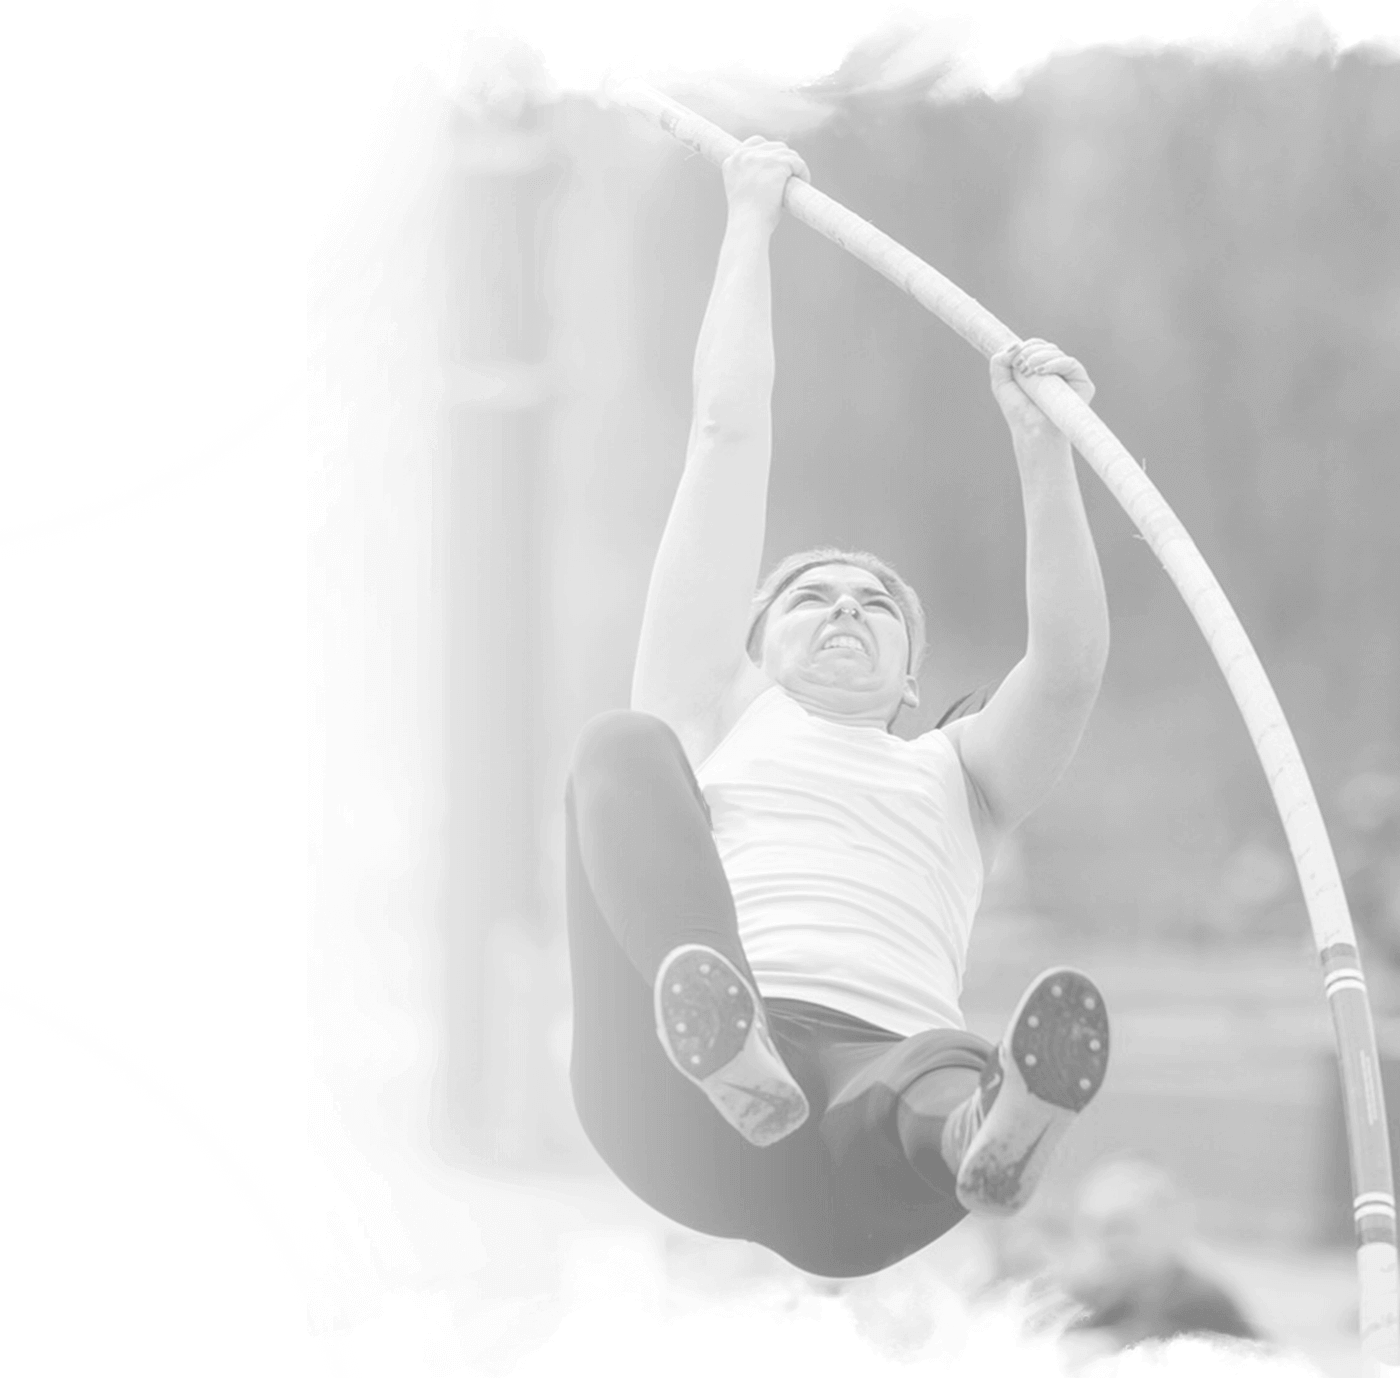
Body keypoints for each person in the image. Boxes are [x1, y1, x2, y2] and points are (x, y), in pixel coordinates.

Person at [563, 135, 1111, 1278]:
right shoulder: (715, 711)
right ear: (753, 645)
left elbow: (1061, 668)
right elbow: (725, 433)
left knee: (932, 1072)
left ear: (914, 673)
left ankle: (988, 1135)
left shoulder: (963, 776)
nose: (847, 607)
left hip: (873, 1145)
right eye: (811, 595)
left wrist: (1040, 447)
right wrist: (748, 224)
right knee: (620, 748)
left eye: (876, 602)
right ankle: (731, 1040)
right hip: (682, 1104)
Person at [1058, 1156, 1261, 1356]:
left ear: (1167, 1225)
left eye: (1123, 1227)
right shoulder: (1090, 1298)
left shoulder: (1203, 1301)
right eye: (1098, 1228)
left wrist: (1109, 1345)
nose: (1110, 1244)